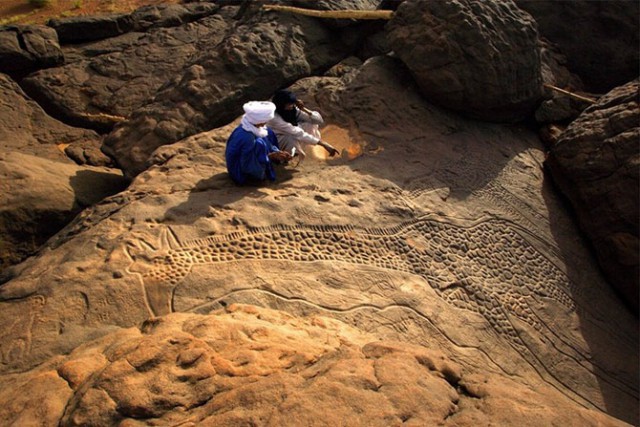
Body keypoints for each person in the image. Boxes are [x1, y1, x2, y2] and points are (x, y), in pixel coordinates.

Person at [225, 101, 291, 185]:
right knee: (259, 143)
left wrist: (277, 152)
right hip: (241, 172)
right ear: (259, 120)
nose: (266, 122)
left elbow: (267, 143)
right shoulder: (246, 137)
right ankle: (258, 177)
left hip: (251, 161)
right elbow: (246, 164)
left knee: (269, 132)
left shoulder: (253, 127)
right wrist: (270, 157)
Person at [269, 89, 339, 160]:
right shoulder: (274, 117)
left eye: (292, 103)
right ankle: (283, 157)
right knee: (289, 137)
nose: (291, 106)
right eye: (289, 104)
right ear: (281, 105)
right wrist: (324, 144)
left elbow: (318, 121)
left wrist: (304, 109)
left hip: (292, 134)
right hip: (276, 141)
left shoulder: (293, 110)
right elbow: (296, 132)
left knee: (310, 124)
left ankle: (298, 151)